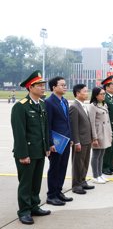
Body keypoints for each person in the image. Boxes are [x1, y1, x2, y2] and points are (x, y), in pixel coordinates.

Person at [11, 70, 51, 225]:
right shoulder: (20, 107)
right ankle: (24, 211)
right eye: (39, 85)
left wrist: (46, 147)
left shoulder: (41, 104)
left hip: (39, 150)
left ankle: (34, 206)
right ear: (30, 87)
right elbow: (19, 133)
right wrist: (22, 154)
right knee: (26, 183)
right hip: (26, 152)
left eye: (43, 85)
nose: (43, 88)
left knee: (36, 181)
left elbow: (44, 128)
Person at [45, 76, 73, 206]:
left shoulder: (65, 101)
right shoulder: (49, 102)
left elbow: (67, 122)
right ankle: (51, 195)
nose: (65, 87)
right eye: (62, 85)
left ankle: (58, 192)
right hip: (56, 143)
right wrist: (50, 143)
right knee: (54, 168)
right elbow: (48, 125)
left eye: (65, 84)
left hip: (66, 140)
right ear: (54, 87)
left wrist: (71, 138)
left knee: (63, 167)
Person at [69, 84, 94, 195]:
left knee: (85, 162)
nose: (87, 93)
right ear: (78, 93)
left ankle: (82, 181)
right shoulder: (74, 107)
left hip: (87, 139)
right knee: (77, 163)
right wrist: (76, 141)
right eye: (85, 91)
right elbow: (74, 127)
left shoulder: (83, 105)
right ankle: (76, 185)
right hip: (80, 141)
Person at [88, 87, 112, 184]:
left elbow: (108, 121)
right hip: (98, 134)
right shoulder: (92, 106)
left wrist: (110, 133)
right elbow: (92, 123)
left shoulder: (104, 104)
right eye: (101, 94)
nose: (103, 96)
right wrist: (94, 138)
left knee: (102, 155)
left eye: (104, 94)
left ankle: (100, 174)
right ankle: (95, 176)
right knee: (96, 155)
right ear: (96, 95)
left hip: (105, 132)